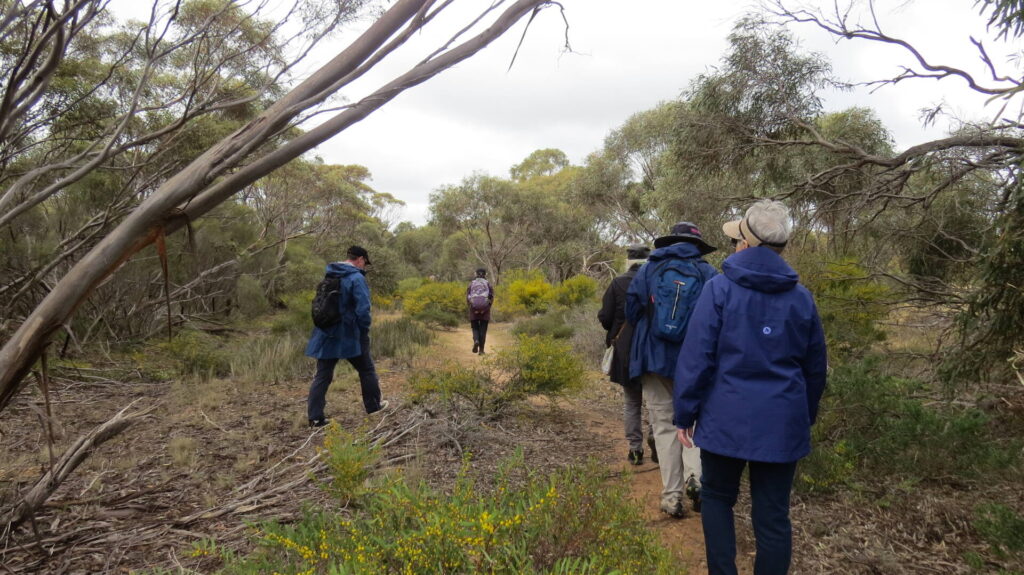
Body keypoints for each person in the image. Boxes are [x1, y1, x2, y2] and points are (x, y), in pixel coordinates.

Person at [673, 200, 827, 575]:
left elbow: (697, 357)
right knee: (773, 515)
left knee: (717, 498)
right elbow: (814, 369)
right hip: (782, 421)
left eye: (736, 239)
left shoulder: (719, 290)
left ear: (745, 243)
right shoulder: (801, 298)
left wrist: (685, 413)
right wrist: (803, 417)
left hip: (724, 418)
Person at [626, 222, 717, 518]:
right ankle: (696, 477)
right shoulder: (709, 273)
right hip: (695, 362)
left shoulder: (649, 269)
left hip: (653, 359)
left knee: (664, 425)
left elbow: (631, 311)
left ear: (668, 243)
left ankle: (671, 496)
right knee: (694, 422)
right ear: (697, 246)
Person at [305, 246, 388, 427]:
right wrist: (363, 330)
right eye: (365, 262)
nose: (364, 266)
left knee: (322, 375)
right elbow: (363, 309)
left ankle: (315, 417)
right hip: (349, 334)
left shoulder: (331, 274)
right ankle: (374, 407)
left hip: (326, 332)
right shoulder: (356, 278)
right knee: (366, 370)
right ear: (360, 259)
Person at [598, 244, 658, 466]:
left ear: (628, 260)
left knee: (632, 402)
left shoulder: (618, 282)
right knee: (655, 402)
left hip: (625, 349)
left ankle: (635, 450)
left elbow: (605, 316)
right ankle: (657, 440)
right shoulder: (656, 281)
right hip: (653, 350)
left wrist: (615, 328)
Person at [466, 268, 494, 355]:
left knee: (475, 328)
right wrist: (486, 309)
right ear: (485, 274)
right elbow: (491, 297)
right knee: (483, 330)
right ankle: (481, 351)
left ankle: (476, 340)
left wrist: (472, 309)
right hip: (485, 310)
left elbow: (468, 297)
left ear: (476, 274)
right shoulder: (488, 284)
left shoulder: (471, 284)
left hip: (473, 309)